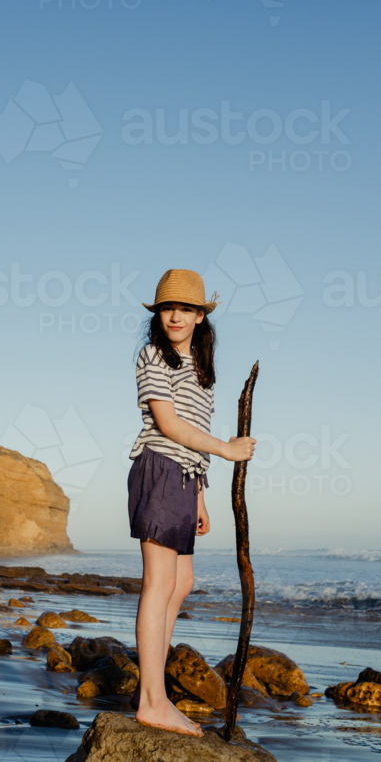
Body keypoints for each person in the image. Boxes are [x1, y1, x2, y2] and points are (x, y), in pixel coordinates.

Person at [128, 268, 256, 736]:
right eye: (167, 307)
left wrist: (199, 494)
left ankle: (152, 686)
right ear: (158, 314)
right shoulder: (152, 357)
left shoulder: (201, 373)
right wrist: (225, 448)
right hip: (158, 468)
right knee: (158, 584)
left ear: (201, 316)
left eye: (185, 308)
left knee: (181, 584)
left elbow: (191, 443)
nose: (175, 316)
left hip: (183, 477)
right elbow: (168, 425)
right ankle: (152, 701)